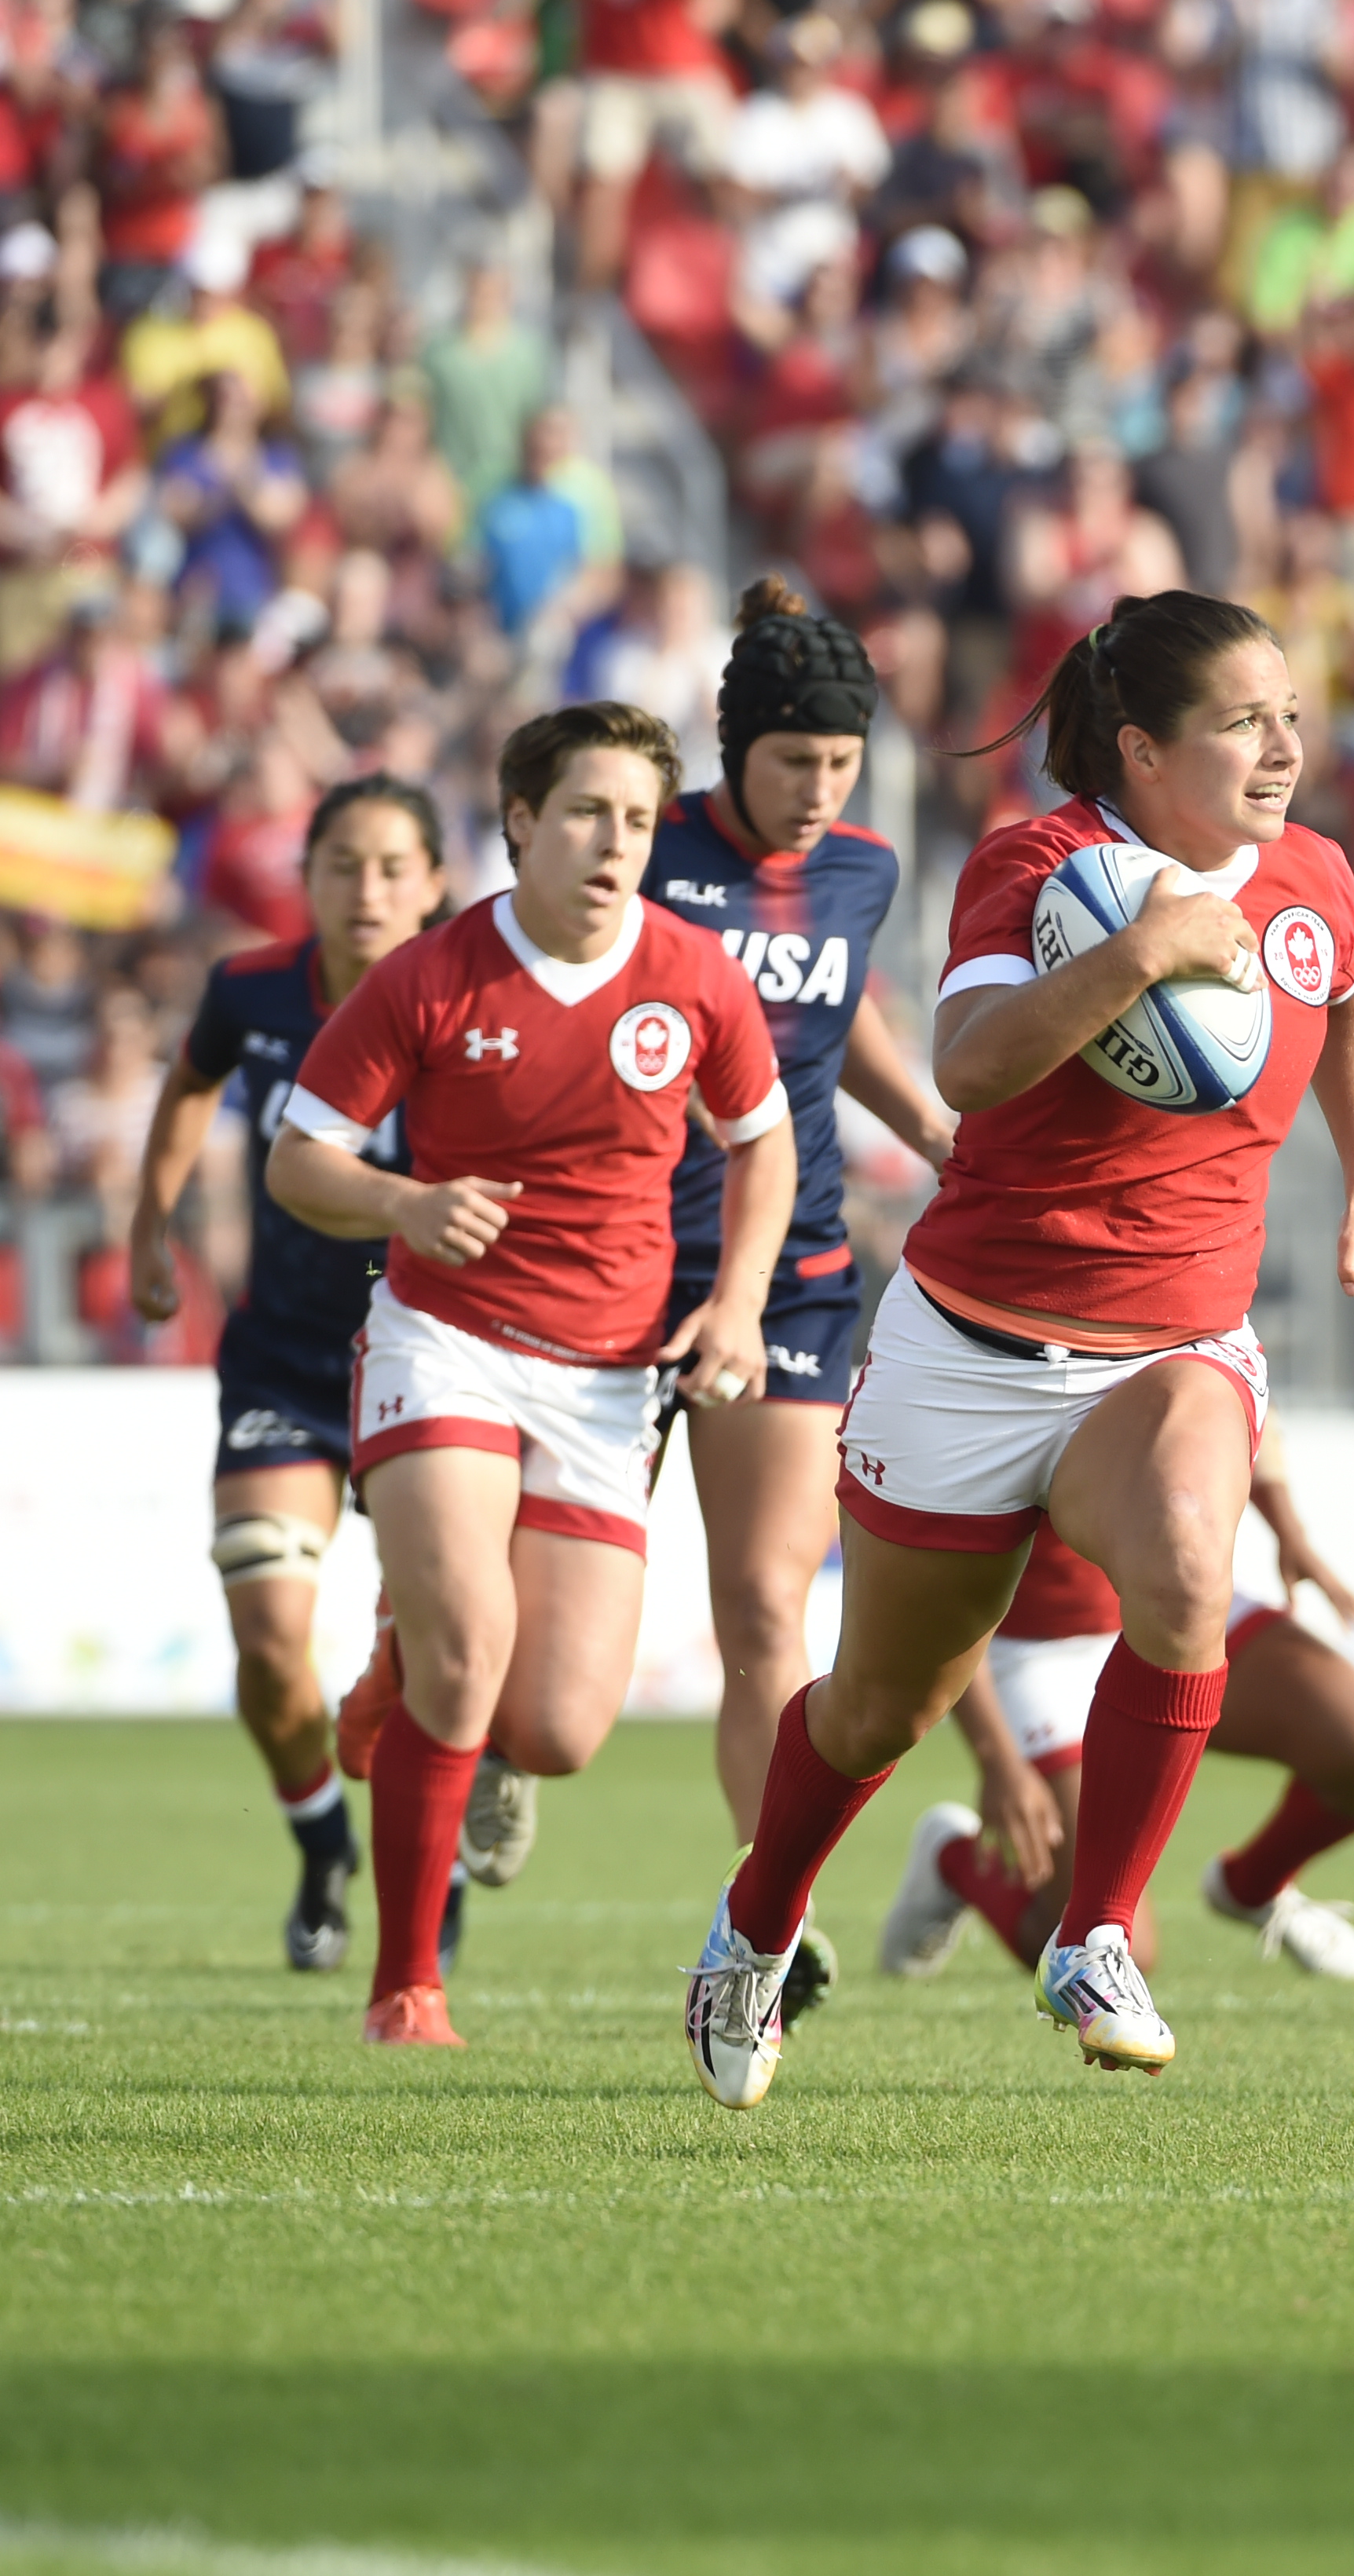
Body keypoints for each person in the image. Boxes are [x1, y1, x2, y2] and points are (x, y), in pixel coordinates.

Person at [679, 587, 1354, 2108]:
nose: (1285, 745)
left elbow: (1346, 999)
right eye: (1244, 721)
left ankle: (1096, 1934)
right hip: (972, 1342)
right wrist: (1142, 951)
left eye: (1290, 713)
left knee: (1185, 1572)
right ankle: (753, 1927)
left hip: (1177, 1340)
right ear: (1144, 749)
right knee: (880, 1701)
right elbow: (971, 1062)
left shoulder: (1317, 877)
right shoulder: (1041, 865)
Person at [424, 576, 953, 2011]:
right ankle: (483, 1745)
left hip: (786, 1277)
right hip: (602, 1267)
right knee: (530, 1665)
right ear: (736, 753)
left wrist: (941, 1135)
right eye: (796, 764)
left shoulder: (860, 870)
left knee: (769, 1609)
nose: (820, 793)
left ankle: (764, 1913)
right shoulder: (642, 856)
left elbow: (848, 1016)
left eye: (841, 767)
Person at [269, 704, 796, 2051]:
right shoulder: (432, 976)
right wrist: (402, 1203)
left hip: (608, 1375)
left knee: (555, 1727)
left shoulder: (692, 975)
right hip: (444, 1338)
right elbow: (298, 1160)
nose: (613, 843)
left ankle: (413, 1662)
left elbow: (761, 1144)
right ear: (517, 822)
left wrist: (734, 1303)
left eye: (634, 820)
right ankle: (406, 1991)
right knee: (468, 1654)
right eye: (583, 814)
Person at [123, 778, 450, 1974]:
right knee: (268, 1638)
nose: (367, 891)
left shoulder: (480, 991)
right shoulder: (251, 991)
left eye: (391, 868)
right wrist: (147, 1228)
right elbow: (189, 1089)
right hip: (286, 1358)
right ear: (305, 879)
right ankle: (322, 1843)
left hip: (431, 1350)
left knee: (444, 1643)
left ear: (433, 882)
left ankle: (434, 1867)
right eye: (342, 867)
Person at [876, 1418, 1354, 1984]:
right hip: (1039, 1652)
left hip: (1176, 1604)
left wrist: (1289, 1530)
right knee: (1098, 1947)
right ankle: (952, 1859)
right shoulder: (991, 1351)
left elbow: (1237, 1396)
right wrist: (997, 1760)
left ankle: (1253, 1887)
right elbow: (929, 1594)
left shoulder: (1166, 1331)